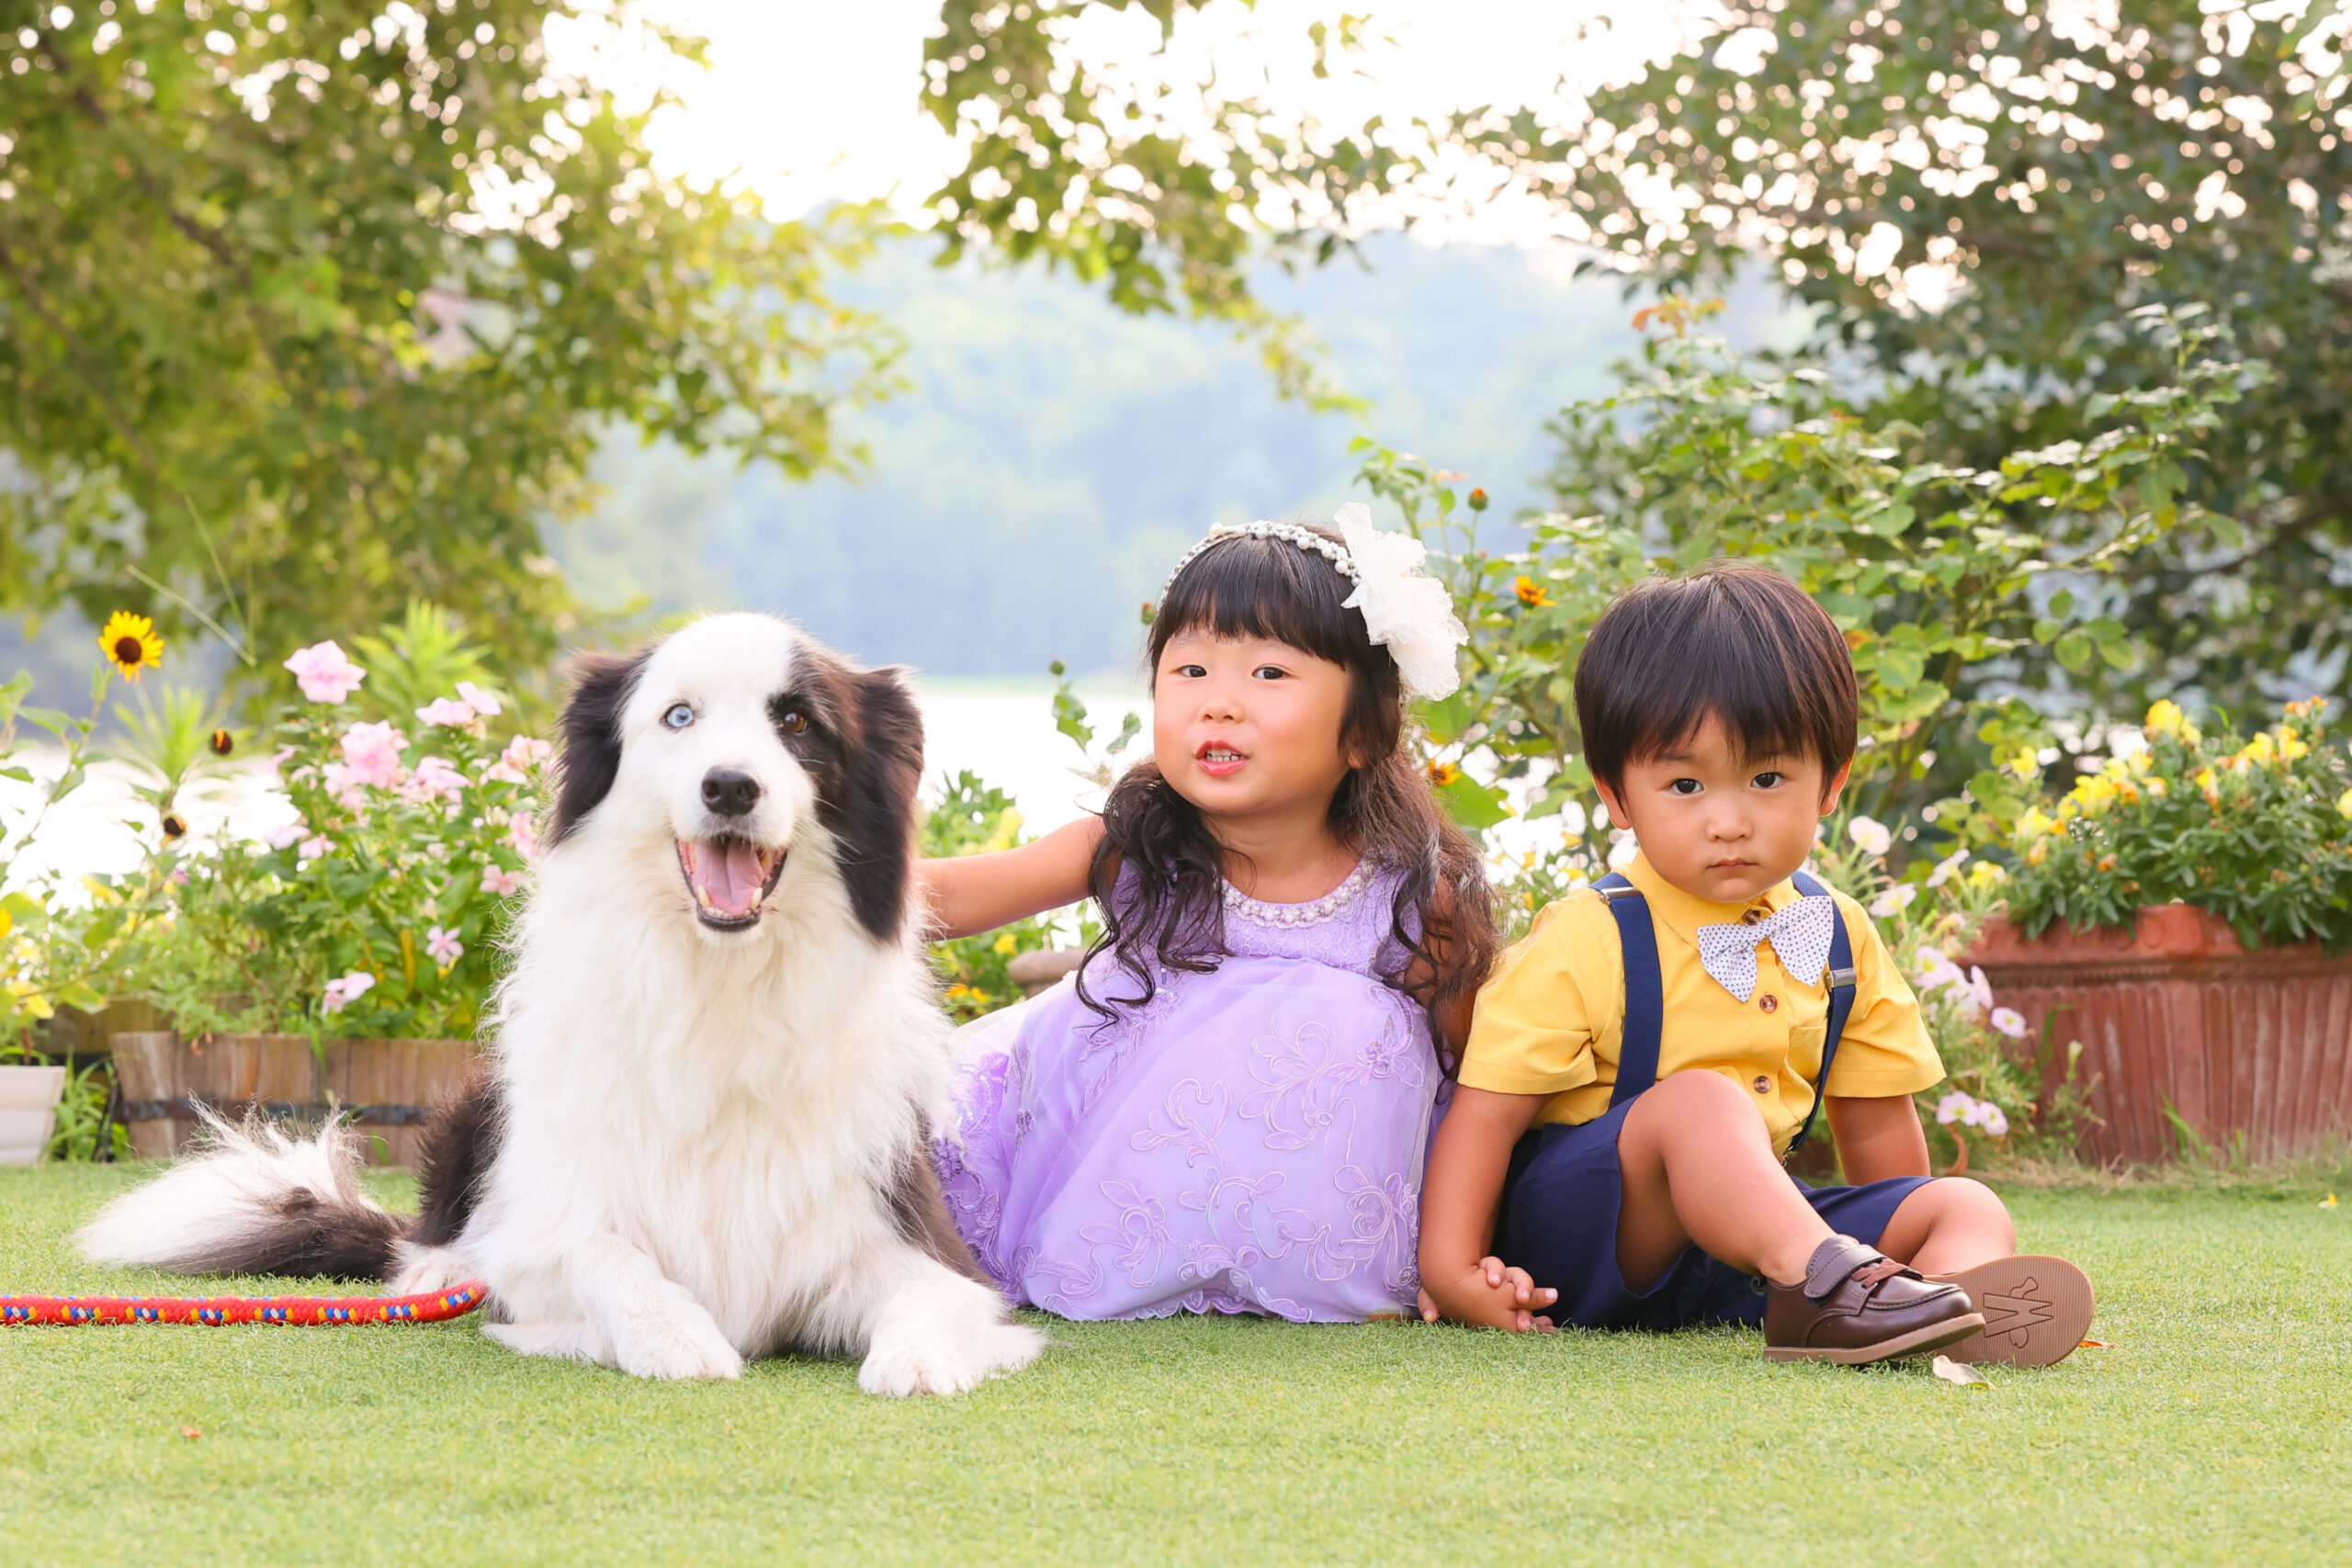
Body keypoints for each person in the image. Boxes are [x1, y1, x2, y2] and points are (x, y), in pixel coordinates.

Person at [1419, 561, 2094, 1366]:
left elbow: (1878, 1124)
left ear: (1831, 781)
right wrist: (1453, 1269)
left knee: (1963, 1201)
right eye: (1685, 784)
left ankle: (1925, 1304)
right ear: (1618, 795)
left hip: (1749, 1256)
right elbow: (1486, 1116)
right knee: (1701, 1101)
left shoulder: (1837, 933)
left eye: (1768, 778)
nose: (1729, 821)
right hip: (1594, 1240)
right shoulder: (1590, 936)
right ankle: (1840, 1290)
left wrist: (1897, 1234)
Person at [918, 506, 1499, 1322]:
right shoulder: (1134, 843)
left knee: (1348, 1024)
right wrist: (799, 884)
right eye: (1190, 669)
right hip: (1101, 1185)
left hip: (1316, 1228)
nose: (1219, 704)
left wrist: (1456, 1250)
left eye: (1269, 673)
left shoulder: (1411, 895)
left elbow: (1481, 1084)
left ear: (1365, 732)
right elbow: (956, 894)